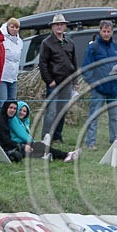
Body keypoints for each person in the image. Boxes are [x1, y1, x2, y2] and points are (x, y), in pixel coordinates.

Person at [82, 19, 117, 149]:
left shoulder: (116, 46)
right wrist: (94, 83)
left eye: (109, 31)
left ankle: (114, 141)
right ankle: (90, 142)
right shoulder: (93, 47)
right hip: (98, 88)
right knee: (94, 116)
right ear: (100, 31)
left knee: (115, 117)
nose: (106, 34)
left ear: (112, 32)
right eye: (104, 31)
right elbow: (86, 69)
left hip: (114, 88)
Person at [39, 13, 78, 142]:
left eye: (61, 24)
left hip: (67, 82)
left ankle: (57, 136)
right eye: (57, 24)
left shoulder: (70, 42)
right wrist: (49, 81)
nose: (59, 27)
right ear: (52, 27)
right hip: (54, 83)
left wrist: (75, 81)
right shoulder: (47, 43)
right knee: (50, 112)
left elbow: (74, 63)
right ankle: (46, 137)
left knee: (62, 111)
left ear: (65, 26)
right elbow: (42, 64)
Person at [9, 101, 80, 162]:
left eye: (24, 111)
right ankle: (66, 155)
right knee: (42, 147)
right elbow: (21, 134)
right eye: (20, 110)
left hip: (23, 143)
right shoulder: (14, 119)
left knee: (43, 148)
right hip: (18, 145)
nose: (22, 112)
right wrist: (34, 143)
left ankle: (53, 155)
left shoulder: (24, 121)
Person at [0, 18, 22, 107]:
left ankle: (10, 121)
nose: (14, 29)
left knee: (12, 105)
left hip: (13, 78)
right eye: (12, 27)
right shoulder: (0, 39)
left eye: (17, 27)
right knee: (2, 104)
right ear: (7, 27)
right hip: (2, 77)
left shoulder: (20, 42)